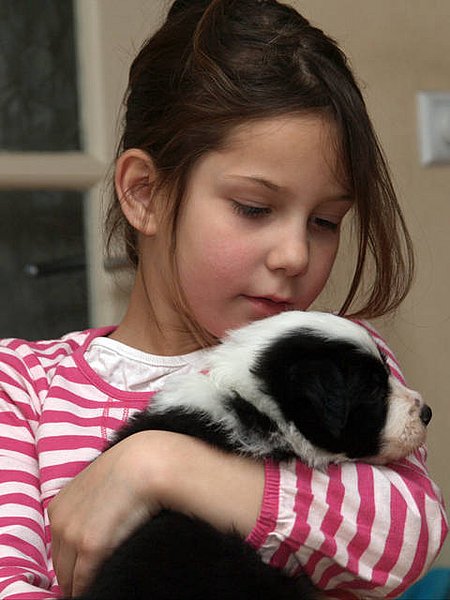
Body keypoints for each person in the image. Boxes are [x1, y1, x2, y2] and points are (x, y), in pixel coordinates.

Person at [0, 0, 447, 598]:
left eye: (325, 221)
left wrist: (155, 465)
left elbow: (404, 537)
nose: (295, 254)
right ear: (145, 194)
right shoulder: (22, 388)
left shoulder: (335, 355)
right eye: (254, 208)